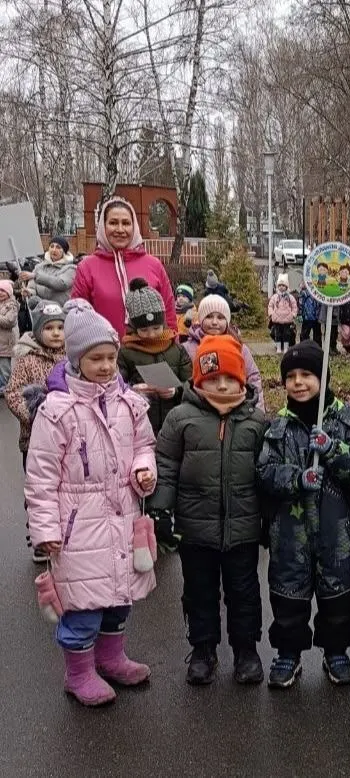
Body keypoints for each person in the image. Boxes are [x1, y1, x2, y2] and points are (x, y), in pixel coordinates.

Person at [25, 299, 157, 707]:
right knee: (82, 606)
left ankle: (111, 657)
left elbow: (144, 445)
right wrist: (45, 531)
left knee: (118, 599)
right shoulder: (57, 411)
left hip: (122, 517)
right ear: (76, 359)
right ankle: (78, 673)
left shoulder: (129, 403)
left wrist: (143, 469)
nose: (105, 366)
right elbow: (41, 477)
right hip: (77, 527)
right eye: (95, 358)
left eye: (110, 358)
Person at [148, 335, 268, 686]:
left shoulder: (257, 421)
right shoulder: (180, 418)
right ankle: (203, 649)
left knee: (244, 593)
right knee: (199, 592)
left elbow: (266, 472)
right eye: (214, 378)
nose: (222, 385)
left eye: (230, 378)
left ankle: (246, 649)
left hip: (242, 529)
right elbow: (166, 464)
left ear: (242, 379)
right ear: (199, 379)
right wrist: (160, 510)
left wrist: (269, 519)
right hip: (195, 529)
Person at [257, 341, 350, 688]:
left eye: (307, 374)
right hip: (290, 535)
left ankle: (335, 651)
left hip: (336, 533)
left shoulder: (345, 420)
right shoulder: (278, 426)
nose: (298, 382)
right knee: (288, 595)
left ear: (323, 378)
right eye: (291, 376)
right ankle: (288, 653)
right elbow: (264, 473)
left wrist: (334, 449)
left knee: (337, 596)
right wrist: (295, 478)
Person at [5, 302, 66, 562]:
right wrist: (32, 415)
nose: (56, 333)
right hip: (34, 439)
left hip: (65, 436)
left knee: (64, 486)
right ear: (39, 330)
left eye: (60, 327)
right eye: (49, 328)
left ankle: (62, 531)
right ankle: (40, 536)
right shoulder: (27, 360)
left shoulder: (72, 358)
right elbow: (13, 392)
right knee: (39, 488)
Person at [71, 197, 175, 337]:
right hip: (105, 349)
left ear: (134, 226)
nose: (120, 229)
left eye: (126, 223)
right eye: (113, 223)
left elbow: (169, 314)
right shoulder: (87, 267)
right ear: (103, 226)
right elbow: (77, 319)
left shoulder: (154, 265)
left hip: (151, 349)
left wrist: (173, 347)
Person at [117, 278, 192, 436]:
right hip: (141, 426)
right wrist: (133, 390)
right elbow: (116, 387)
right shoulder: (126, 353)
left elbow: (192, 384)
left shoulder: (177, 350)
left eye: (156, 328)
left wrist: (176, 391)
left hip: (175, 424)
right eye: (144, 330)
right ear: (134, 327)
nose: (151, 335)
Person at [184, 294, 265, 412]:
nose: (214, 322)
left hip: (234, 408)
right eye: (209, 317)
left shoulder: (238, 347)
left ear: (227, 321)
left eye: (220, 317)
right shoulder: (188, 348)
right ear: (201, 319)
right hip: (199, 410)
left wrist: (258, 410)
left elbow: (253, 378)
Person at [22, 236, 76, 311]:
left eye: (58, 247)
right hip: (39, 311)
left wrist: (36, 276)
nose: (54, 250)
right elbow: (32, 288)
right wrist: (29, 293)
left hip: (59, 311)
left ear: (64, 251)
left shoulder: (70, 268)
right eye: (52, 246)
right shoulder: (39, 267)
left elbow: (61, 284)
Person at [267, 274, 298, 354]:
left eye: (283, 285)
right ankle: (278, 347)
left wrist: (293, 314)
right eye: (280, 285)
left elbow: (294, 306)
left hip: (287, 320)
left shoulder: (290, 297)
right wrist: (271, 314)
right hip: (277, 319)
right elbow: (270, 306)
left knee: (286, 334)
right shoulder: (275, 297)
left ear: (286, 287)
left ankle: (286, 348)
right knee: (277, 334)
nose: (281, 287)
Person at [0, 279, 19, 397]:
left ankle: (6, 387)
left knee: (4, 367)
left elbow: (9, 321)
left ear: (9, 292)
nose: (0, 293)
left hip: (5, 342)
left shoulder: (12, 306)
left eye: (3, 290)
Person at [298, 280, 322, 346]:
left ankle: (317, 348)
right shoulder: (304, 292)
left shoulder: (318, 291)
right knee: (304, 334)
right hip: (306, 317)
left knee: (317, 334)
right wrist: (300, 314)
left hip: (316, 317)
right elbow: (300, 304)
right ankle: (303, 347)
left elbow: (320, 304)